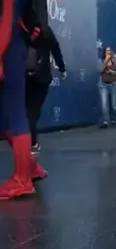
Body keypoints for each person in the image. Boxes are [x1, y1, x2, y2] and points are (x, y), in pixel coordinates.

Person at [0, 0, 48, 199]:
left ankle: (22, 179)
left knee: (15, 112)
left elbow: (7, 20)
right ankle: (30, 167)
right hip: (13, 46)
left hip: (10, 48)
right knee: (6, 116)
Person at [26, 24, 66, 154]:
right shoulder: (46, 30)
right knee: (33, 110)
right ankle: (32, 142)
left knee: (26, 109)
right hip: (42, 76)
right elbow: (55, 49)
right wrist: (62, 69)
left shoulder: (20, 28)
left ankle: (29, 141)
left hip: (23, 76)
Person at [99, 47, 116, 128]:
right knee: (104, 104)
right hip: (103, 85)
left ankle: (113, 118)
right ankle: (105, 121)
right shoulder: (101, 61)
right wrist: (105, 62)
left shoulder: (115, 61)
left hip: (114, 84)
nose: (108, 53)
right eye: (106, 51)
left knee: (113, 105)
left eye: (109, 51)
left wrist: (112, 72)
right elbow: (100, 70)